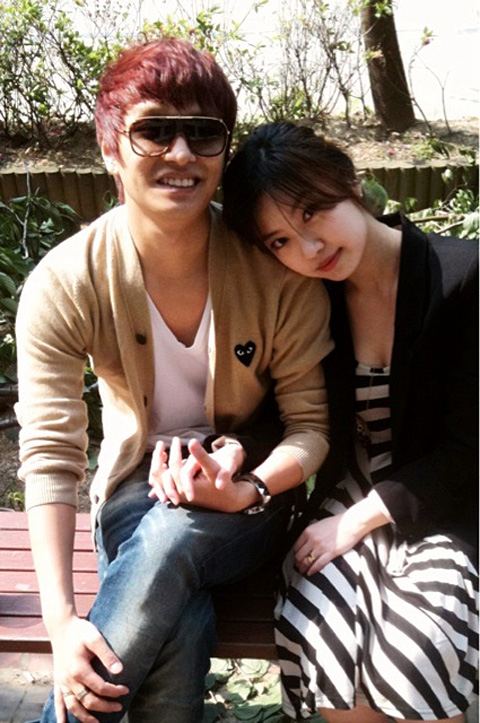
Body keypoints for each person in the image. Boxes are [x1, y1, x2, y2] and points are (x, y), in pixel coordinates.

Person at [16, 45, 333, 723]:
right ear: (111, 150)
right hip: (134, 492)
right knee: (180, 623)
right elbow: (50, 455)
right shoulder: (66, 281)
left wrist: (249, 485)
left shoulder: (276, 274)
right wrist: (61, 622)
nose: (181, 153)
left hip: (251, 500)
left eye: (204, 133)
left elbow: (310, 427)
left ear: (224, 152)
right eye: (155, 130)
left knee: (171, 538)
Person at [222, 121, 479, 723]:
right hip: (346, 496)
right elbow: (284, 412)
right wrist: (233, 452)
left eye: (313, 212)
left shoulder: (464, 277)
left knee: (415, 648)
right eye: (280, 240)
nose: (309, 248)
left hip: (454, 503)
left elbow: (471, 448)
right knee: (323, 629)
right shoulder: (309, 300)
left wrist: (359, 520)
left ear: (351, 182)